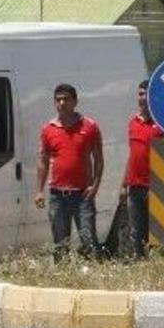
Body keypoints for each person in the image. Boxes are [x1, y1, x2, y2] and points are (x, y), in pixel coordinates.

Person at [34, 84, 105, 262]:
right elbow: (43, 161)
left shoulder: (89, 126)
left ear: (75, 101)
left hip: (83, 195)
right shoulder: (48, 129)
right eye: (58, 99)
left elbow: (98, 159)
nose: (62, 103)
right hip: (58, 195)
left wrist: (95, 186)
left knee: (89, 240)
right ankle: (63, 278)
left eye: (66, 99)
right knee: (60, 244)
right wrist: (39, 191)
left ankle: (91, 275)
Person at [120, 80, 164, 259]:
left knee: (156, 233)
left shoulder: (163, 124)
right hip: (134, 187)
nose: (143, 98)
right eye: (140, 94)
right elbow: (132, 155)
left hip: (156, 187)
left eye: (146, 94)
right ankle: (140, 264)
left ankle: (157, 266)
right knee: (135, 233)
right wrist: (123, 185)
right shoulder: (133, 122)